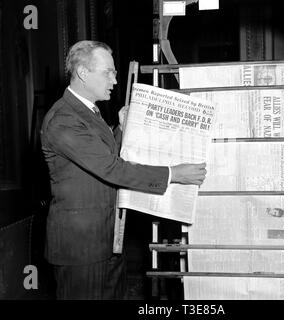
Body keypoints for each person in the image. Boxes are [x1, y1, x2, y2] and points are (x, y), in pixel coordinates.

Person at [40, 40, 207, 300]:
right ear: (83, 73)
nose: (115, 80)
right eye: (108, 72)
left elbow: (100, 156)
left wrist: (119, 128)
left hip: (108, 240)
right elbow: (109, 167)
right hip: (81, 249)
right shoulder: (63, 119)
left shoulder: (87, 112)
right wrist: (173, 174)